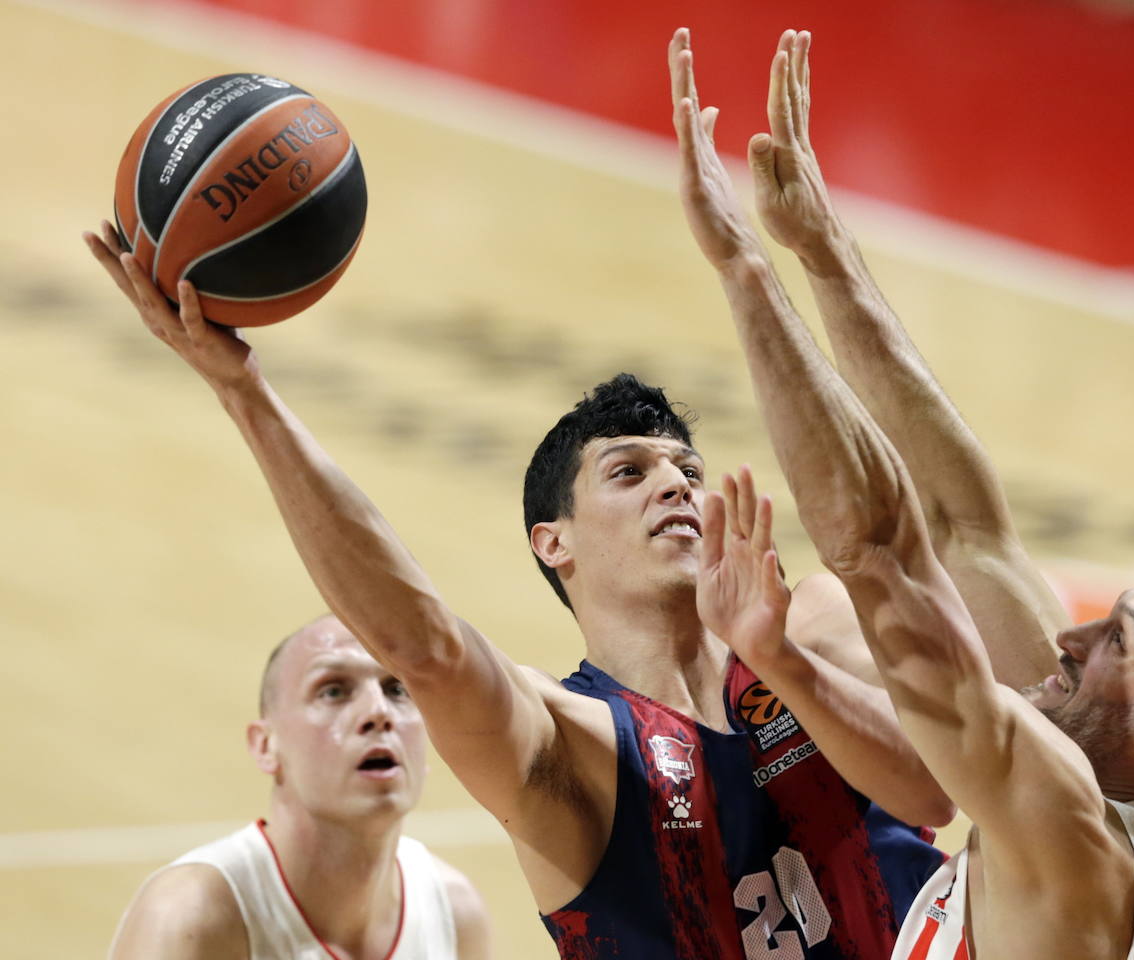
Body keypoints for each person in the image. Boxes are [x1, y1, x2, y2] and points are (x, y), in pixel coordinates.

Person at [81, 77, 998, 952]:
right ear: (552, 543)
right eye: (628, 472)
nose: (676, 486)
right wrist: (243, 393)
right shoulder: (568, 741)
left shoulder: (813, 628)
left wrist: (782, 660)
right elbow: (424, 645)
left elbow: (934, 789)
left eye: (688, 469)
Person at [672, 27, 1134, 960]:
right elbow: (964, 529)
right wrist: (823, 251)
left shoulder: (1066, 832)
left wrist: (743, 271)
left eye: (1120, 641)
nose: (1071, 638)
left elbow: (880, 554)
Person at [108, 615, 493, 960]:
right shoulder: (190, 916)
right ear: (265, 745)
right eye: (333, 691)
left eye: (396, 690)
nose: (379, 712)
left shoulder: (454, 912)